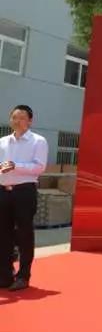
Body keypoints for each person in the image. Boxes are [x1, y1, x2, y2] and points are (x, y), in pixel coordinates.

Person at [0, 105, 47, 291]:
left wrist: (15, 165)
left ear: (30, 121)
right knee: (3, 233)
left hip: (24, 191)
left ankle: (23, 275)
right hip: (3, 191)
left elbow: (39, 167)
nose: (17, 121)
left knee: (24, 233)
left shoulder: (38, 141)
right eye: (14, 117)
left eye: (21, 118)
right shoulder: (3, 141)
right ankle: (5, 275)